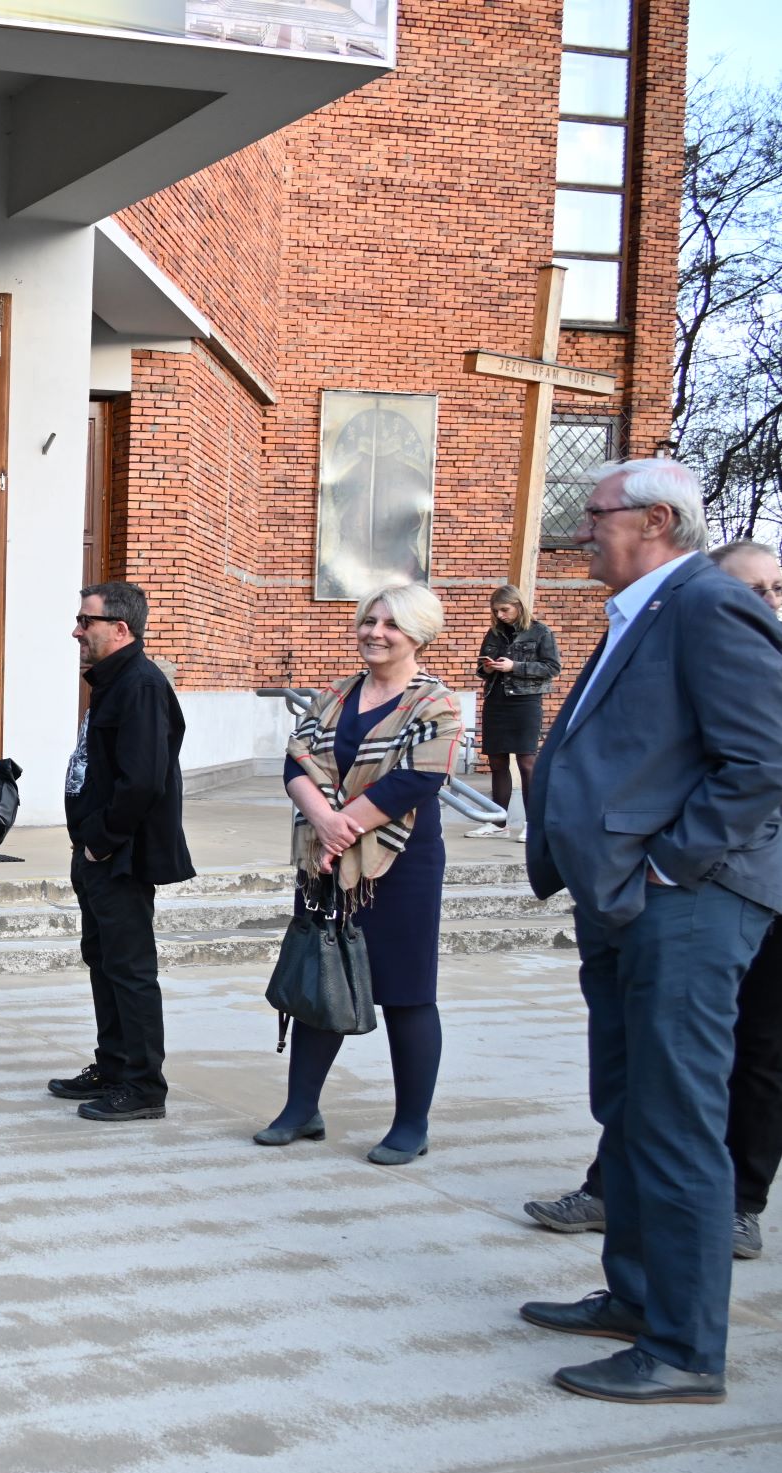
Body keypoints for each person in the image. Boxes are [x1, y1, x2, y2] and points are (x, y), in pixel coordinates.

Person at [518, 461, 782, 1406]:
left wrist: (671, 864)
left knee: (674, 1117)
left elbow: (762, 758)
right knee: (629, 1107)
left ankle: (682, 1347)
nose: (579, 529)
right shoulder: (647, 608)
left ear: (656, 519)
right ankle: (635, 1298)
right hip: (627, 903)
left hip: (688, 902)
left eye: (593, 513)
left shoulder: (709, 605)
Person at [256, 583, 459, 1162]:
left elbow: (417, 779)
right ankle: (301, 1110)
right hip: (325, 858)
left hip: (398, 864)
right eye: (369, 620)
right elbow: (296, 762)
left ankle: (411, 1125)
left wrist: (339, 829)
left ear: (419, 634)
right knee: (320, 975)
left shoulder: (436, 704)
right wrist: (324, 823)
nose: (375, 632)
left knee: (407, 992)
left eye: (391, 624)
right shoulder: (335, 696)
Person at [51, 580, 196, 1121]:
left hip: (119, 856)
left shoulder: (140, 684)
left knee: (130, 970)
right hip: (97, 852)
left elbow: (143, 780)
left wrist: (101, 842)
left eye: (85, 621)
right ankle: (113, 1066)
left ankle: (142, 1086)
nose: (76, 631)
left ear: (119, 628)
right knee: (104, 961)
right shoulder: (113, 681)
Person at [466, 582, 559, 841]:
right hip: (496, 701)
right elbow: (481, 669)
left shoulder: (540, 632)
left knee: (526, 763)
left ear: (518, 606)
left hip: (525, 703)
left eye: (504, 609)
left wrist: (514, 667)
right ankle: (498, 822)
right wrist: (487, 668)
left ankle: (533, 824)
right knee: (497, 762)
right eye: (496, 610)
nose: (500, 615)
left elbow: (552, 667)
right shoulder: (494, 633)